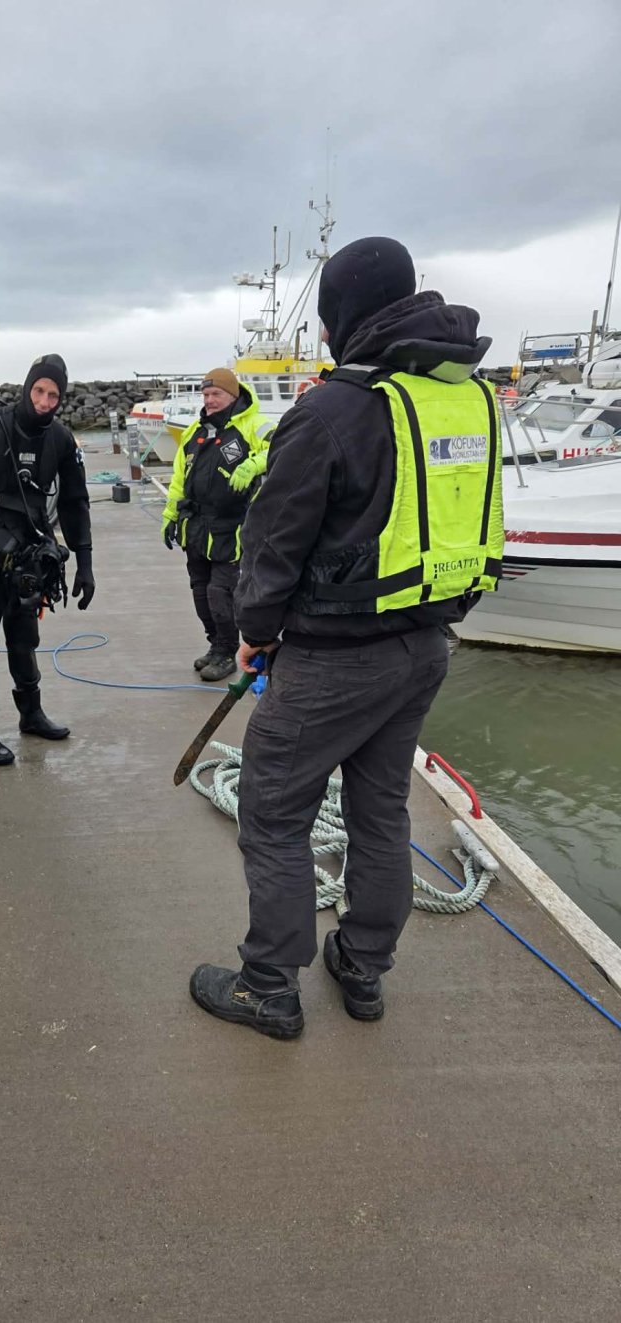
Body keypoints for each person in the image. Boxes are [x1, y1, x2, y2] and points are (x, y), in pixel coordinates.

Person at [189, 236, 504, 1039]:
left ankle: (269, 985)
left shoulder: (331, 411)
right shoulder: (466, 399)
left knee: (272, 811)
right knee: (380, 811)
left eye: (328, 318)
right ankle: (363, 966)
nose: (325, 335)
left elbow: (273, 542)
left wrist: (253, 633)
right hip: (425, 647)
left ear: (346, 314)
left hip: (333, 660)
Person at [0, 354, 94, 765]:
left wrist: (85, 563)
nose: (45, 401)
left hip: (29, 560)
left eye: (54, 395)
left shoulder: (61, 440)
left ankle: (31, 715)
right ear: (26, 387)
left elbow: (74, 502)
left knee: (24, 640)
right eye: (39, 391)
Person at [161, 368, 274, 682]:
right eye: (206, 394)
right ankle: (215, 645)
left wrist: (254, 464)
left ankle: (227, 651)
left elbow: (285, 445)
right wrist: (170, 515)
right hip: (196, 525)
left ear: (232, 396)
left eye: (216, 394)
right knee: (199, 590)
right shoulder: (193, 432)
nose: (209, 400)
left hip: (232, 527)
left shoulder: (254, 424)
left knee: (219, 592)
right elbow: (179, 478)